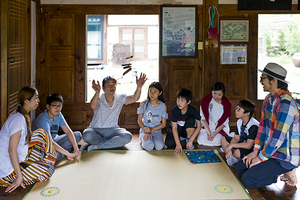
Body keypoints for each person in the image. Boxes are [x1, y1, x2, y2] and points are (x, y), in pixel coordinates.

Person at [235, 63, 300, 188]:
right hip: (270, 151)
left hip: (283, 156)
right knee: (240, 167)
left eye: (263, 77)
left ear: (274, 81)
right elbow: (262, 129)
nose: (260, 81)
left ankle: (287, 170)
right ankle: (275, 172)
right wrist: (255, 152)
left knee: (248, 180)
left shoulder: (286, 103)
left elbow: (277, 138)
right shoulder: (268, 99)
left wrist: (260, 159)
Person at [0, 86, 57, 193]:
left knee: (41, 132)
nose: (38, 101)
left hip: (21, 158)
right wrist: (19, 176)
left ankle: (41, 164)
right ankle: (15, 179)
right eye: (36, 98)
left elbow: (25, 140)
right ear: (26, 101)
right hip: (8, 170)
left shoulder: (21, 114)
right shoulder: (18, 119)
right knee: (49, 170)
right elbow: (11, 150)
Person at [83, 73, 147, 151]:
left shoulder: (120, 98)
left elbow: (134, 98)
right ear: (103, 88)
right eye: (108, 85)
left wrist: (139, 86)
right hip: (96, 129)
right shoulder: (98, 98)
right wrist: (97, 92)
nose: (111, 87)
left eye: (113, 84)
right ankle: (110, 143)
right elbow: (93, 106)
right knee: (87, 135)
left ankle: (98, 146)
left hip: (113, 130)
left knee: (127, 136)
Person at [32, 93, 82, 161]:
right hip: (44, 146)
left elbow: (68, 131)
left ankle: (62, 152)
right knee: (51, 156)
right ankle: (64, 153)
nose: (58, 108)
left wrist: (75, 147)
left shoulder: (58, 114)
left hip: (55, 140)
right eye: (55, 106)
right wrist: (67, 153)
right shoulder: (43, 120)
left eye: (60, 106)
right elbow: (50, 142)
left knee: (77, 135)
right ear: (48, 106)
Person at [221, 99, 259, 166]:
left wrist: (231, 145)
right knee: (223, 139)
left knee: (237, 152)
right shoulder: (239, 121)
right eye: (236, 108)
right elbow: (236, 138)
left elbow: (248, 145)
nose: (236, 111)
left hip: (252, 148)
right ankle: (230, 154)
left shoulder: (254, 125)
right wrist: (230, 148)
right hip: (242, 142)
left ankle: (233, 156)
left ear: (247, 113)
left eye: (239, 109)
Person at [165, 88, 201, 154]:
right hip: (177, 129)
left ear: (188, 102)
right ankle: (179, 138)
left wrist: (191, 140)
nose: (179, 102)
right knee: (169, 144)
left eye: (182, 101)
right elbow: (174, 128)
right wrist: (178, 144)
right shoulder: (174, 110)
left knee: (191, 119)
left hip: (186, 129)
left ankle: (187, 140)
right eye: (178, 100)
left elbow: (199, 126)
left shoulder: (193, 110)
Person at [197, 82, 232, 146]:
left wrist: (214, 133)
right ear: (212, 91)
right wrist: (209, 133)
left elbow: (225, 122)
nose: (216, 96)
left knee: (219, 140)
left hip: (219, 129)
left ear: (223, 94)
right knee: (200, 140)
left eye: (219, 95)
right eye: (214, 93)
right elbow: (203, 119)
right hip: (207, 127)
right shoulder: (205, 100)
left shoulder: (227, 104)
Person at [137, 82, 168, 151]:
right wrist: (146, 131)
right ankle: (142, 138)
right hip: (145, 130)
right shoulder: (143, 104)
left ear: (160, 93)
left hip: (156, 131)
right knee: (149, 147)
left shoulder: (163, 106)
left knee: (159, 147)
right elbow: (139, 120)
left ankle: (157, 140)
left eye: (155, 92)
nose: (152, 94)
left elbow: (163, 124)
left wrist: (151, 130)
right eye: (150, 91)